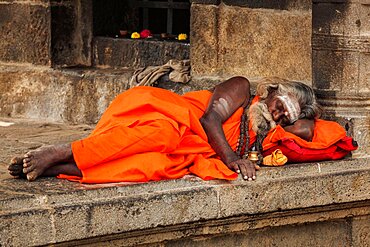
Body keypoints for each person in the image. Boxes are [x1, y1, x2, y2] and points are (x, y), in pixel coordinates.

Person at [7, 76, 325, 183]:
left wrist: (293, 118)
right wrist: (232, 159)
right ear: (271, 91)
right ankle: (61, 150)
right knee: (162, 136)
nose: (279, 115)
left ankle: (58, 167)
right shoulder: (241, 88)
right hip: (154, 114)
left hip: (178, 150)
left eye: (286, 117)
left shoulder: (262, 129)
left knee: (154, 166)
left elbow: (312, 132)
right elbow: (209, 121)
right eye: (280, 104)